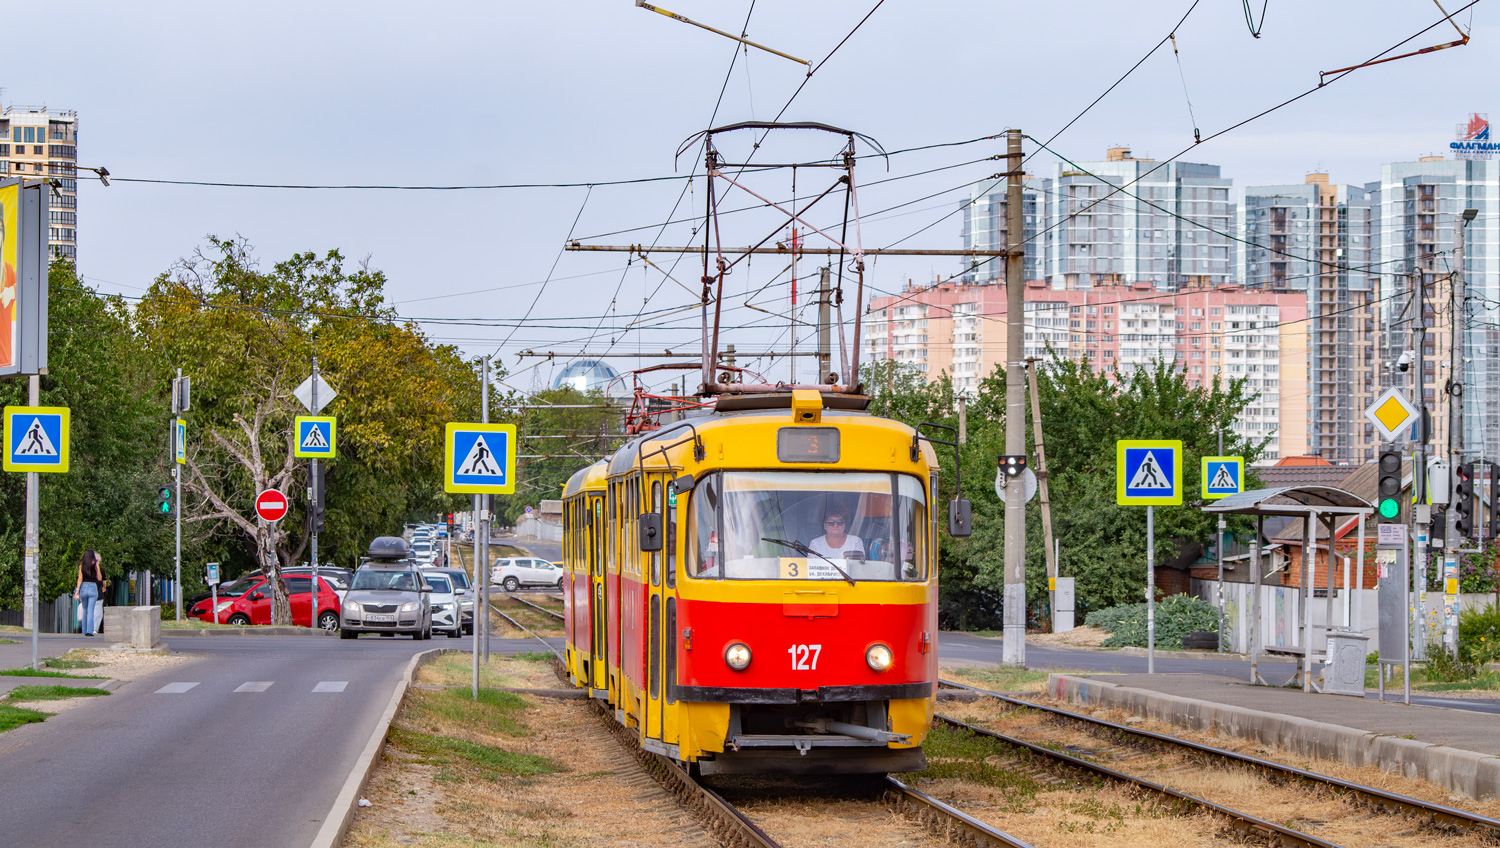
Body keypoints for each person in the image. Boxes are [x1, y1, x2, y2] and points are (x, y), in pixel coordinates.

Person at [73, 550, 103, 637]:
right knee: (91, 610)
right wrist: (97, 566)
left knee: (85, 609)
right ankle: (90, 631)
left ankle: (84, 630)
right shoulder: (95, 566)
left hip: (84, 588)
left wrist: (77, 590)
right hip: (93, 588)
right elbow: (100, 578)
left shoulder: (81, 566)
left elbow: (80, 578)